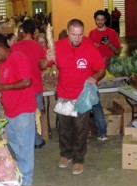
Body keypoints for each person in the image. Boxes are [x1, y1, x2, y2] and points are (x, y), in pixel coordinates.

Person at [40, 19, 105, 174]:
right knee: (65, 128)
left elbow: (101, 69)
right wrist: (47, 59)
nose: (77, 38)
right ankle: (65, 155)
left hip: (82, 97)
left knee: (80, 129)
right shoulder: (57, 47)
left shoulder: (90, 48)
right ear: (67, 33)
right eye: (74, 34)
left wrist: (95, 77)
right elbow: (41, 65)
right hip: (63, 95)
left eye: (80, 34)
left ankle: (78, 159)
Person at [0, 34, 37, 186]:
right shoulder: (3, 61)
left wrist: (2, 87)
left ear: (0, 49)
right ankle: (21, 169)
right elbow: (7, 81)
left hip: (23, 109)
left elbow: (26, 81)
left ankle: (26, 177)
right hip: (10, 110)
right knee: (14, 142)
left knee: (25, 144)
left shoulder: (18, 58)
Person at [11, 19, 46, 149]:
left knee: (24, 116)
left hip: (21, 87)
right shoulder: (38, 46)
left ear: (22, 30)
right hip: (35, 85)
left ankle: (26, 142)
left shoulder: (15, 47)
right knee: (35, 115)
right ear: (34, 31)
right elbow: (42, 65)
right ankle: (37, 141)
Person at [89, 10, 121, 141]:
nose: (100, 22)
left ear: (105, 20)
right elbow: (88, 52)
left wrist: (109, 44)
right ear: (95, 20)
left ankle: (102, 132)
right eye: (98, 19)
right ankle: (99, 131)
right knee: (95, 103)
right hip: (94, 71)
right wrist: (94, 47)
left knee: (96, 104)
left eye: (102, 19)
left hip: (108, 70)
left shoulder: (111, 33)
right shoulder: (91, 33)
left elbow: (117, 51)